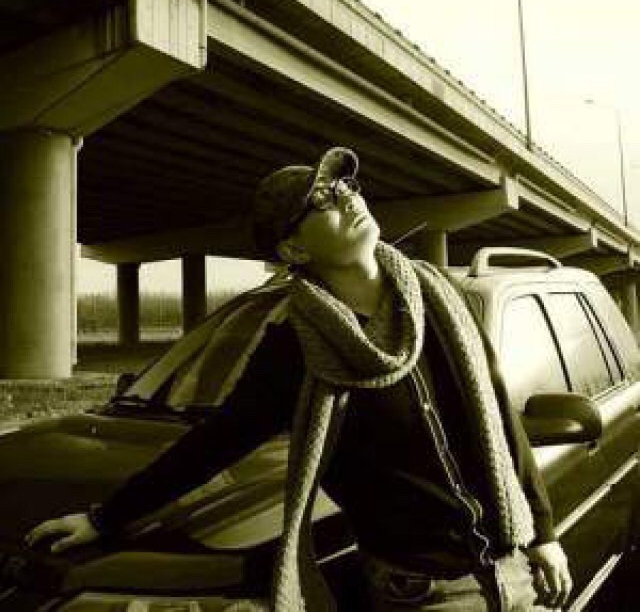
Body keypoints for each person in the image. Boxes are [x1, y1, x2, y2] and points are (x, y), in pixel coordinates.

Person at [27, 147, 572, 611]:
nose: (346, 197)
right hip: (421, 593)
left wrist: (544, 534)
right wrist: (105, 519)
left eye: (346, 185)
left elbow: (499, 417)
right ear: (293, 249)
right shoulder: (296, 347)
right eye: (322, 200)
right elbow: (216, 441)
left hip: (514, 568)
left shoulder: (441, 299)